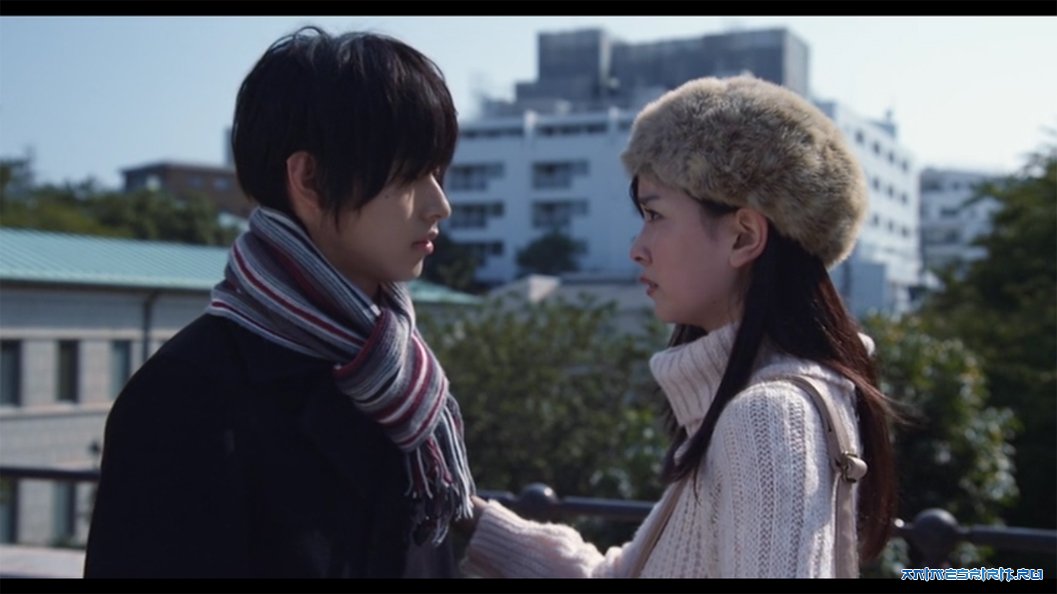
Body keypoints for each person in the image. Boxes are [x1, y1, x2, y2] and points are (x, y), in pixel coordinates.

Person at [456, 75, 898, 578]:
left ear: (743, 236)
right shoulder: (753, 405)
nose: (637, 248)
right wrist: (467, 514)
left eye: (655, 215)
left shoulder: (768, 417)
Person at [84, 26, 475, 578]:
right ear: (310, 179)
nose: (439, 204)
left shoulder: (399, 376)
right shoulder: (186, 399)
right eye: (411, 175)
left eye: (437, 173)